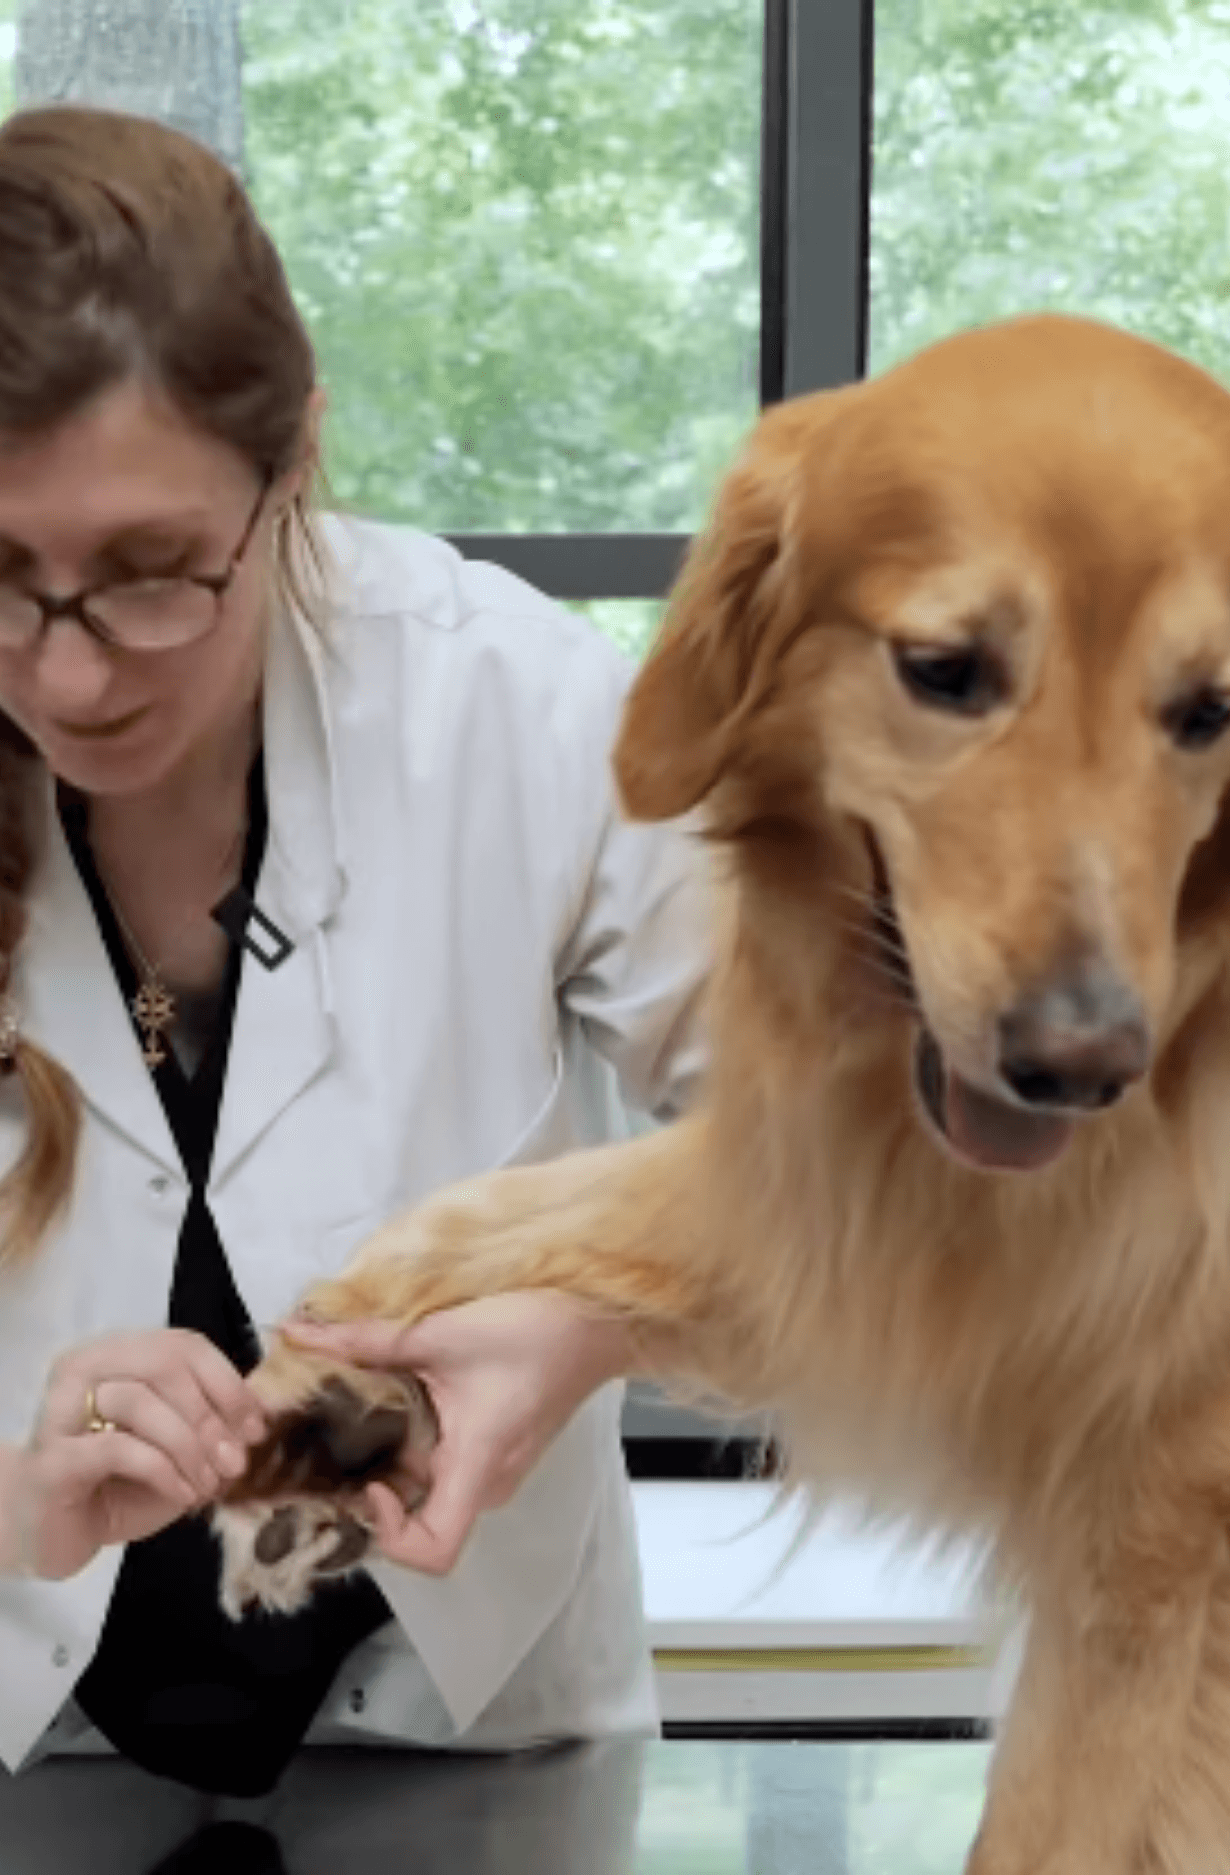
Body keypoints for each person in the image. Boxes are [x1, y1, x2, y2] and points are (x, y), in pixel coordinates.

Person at [0, 99, 708, 1819]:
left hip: (487, 1755)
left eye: (155, 572)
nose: (74, 675)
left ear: (296, 457)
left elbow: (865, 1183)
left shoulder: (511, 711)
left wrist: (586, 1319)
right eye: (5, 579)